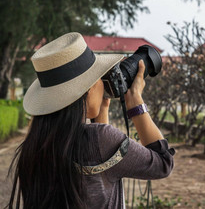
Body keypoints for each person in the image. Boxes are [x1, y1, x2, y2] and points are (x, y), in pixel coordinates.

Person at [7, 32, 175, 209]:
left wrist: (102, 111)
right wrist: (135, 101)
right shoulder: (100, 139)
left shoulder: (36, 145)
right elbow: (163, 163)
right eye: (98, 77)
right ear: (87, 90)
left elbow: (99, 168)